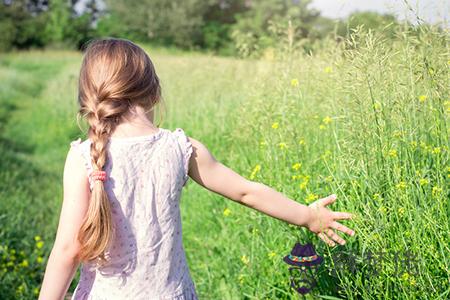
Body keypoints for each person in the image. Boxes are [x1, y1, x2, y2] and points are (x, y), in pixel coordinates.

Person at [38, 38, 355, 300]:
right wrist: (308, 216)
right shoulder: (180, 149)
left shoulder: (83, 157)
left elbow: (68, 250)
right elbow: (246, 191)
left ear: (88, 98)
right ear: (154, 92)